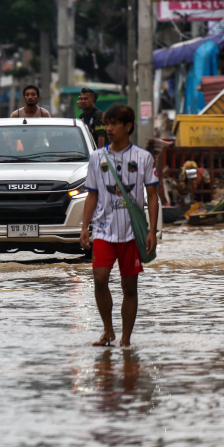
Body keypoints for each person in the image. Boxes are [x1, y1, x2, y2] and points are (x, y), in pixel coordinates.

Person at [78, 105, 159, 348]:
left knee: (129, 286)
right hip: (103, 230)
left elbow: (152, 195)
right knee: (99, 278)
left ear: (128, 127)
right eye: (107, 124)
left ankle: (125, 339)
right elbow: (91, 194)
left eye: (114, 124)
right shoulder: (97, 158)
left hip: (132, 233)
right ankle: (108, 330)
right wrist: (85, 227)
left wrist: (152, 231)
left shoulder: (143, 157)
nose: (109, 129)